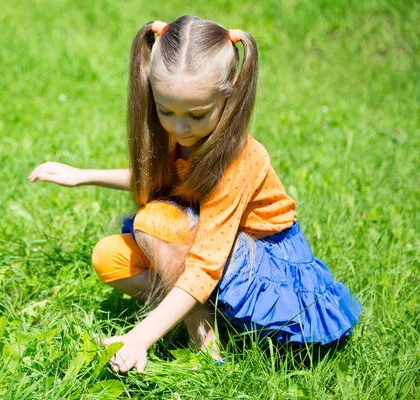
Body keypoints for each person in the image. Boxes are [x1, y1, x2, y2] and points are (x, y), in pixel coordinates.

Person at [28, 16, 362, 374]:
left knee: (156, 221)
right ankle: (199, 309)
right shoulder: (179, 136)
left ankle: (204, 339)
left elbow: (206, 262)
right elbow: (163, 181)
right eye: (165, 111)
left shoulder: (239, 159)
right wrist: (83, 176)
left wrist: (140, 336)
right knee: (109, 258)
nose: (179, 126)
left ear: (229, 92)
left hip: (261, 259)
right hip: (209, 240)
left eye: (196, 114)